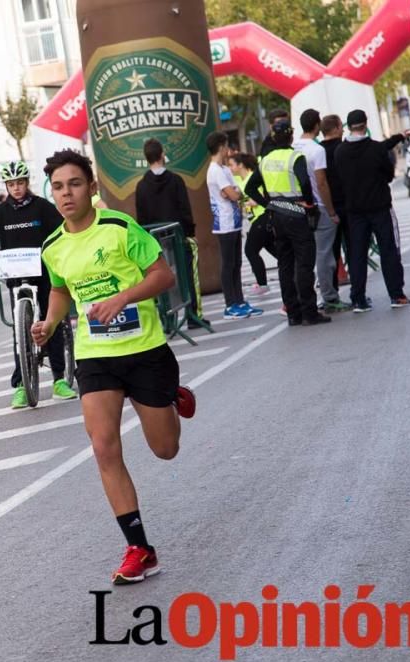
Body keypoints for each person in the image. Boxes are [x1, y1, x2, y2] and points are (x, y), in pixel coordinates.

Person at [32, 149, 195, 585]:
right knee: (103, 446)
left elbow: (164, 276)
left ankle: (170, 397)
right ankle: (139, 548)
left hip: (144, 349)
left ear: (91, 187)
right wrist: (48, 323)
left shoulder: (120, 228)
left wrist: (124, 297)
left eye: (75, 184)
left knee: (165, 449)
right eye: (59, 186)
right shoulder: (53, 246)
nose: (66, 194)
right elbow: (62, 291)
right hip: (95, 356)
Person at [0, 160, 78, 407]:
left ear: (26, 183)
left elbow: (61, 230)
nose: (16, 188)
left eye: (20, 183)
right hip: (16, 274)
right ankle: (21, 384)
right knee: (19, 330)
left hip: (43, 272)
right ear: (6, 186)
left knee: (48, 323)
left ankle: (58, 380)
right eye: (11, 184)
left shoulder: (42, 207)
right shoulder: (0, 212)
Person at [244, 118, 329, 327]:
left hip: (276, 217)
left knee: (285, 264)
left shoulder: (264, 160)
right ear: (291, 135)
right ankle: (310, 312)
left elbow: (250, 188)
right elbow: (305, 183)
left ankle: (293, 314)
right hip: (297, 215)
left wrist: (269, 203)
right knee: (304, 263)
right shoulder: (295, 157)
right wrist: (308, 203)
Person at [334, 109, 410, 313]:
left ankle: (358, 298)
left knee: (357, 254)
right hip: (379, 207)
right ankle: (396, 294)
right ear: (365, 124)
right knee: (388, 250)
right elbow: (388, 173)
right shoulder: (375, 149)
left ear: (348, 126)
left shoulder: (340, 152)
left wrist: (397, 137)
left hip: (355, 211)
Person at [134, 138, 207, 327]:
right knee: (187, 274)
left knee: (158, 276)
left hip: (154, 239)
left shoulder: (142, 186)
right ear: (162, 155)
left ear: (147, 158)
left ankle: (168, 320)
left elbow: (141, 216)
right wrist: (190, 231)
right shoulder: (175, 180)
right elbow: (185, 208)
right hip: (178, 235)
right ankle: (192, 316)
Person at [293, 109, 347, 312]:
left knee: (303, 257)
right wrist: (331, 211)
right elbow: (321, 182)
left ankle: (302, 299)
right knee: (324, 255)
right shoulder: (317, 150)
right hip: (319, 207)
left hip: (298, 207)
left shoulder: (293, 147)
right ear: (317, 126)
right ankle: (330, 297)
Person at [206, 131, 258, 320]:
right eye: (226, 145)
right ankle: (230, 304)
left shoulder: (225, 169)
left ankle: (240, 300)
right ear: (221, 146)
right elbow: (234, 194)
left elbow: (234, 191)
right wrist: (233, 192)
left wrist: (233, 192)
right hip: (224, 222)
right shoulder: (214, 170)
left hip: (235, 221)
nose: (228, 149)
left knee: (236, 262)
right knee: (228, 264)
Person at [229, 152, 275, 297]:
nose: (230, 168)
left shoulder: (252, 178)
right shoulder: (239, 180)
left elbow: (262, 197)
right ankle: (295, 267)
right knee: (273, 248)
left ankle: (262, 284)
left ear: (240, 165)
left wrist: (251, 202)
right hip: (255, 219)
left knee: (250, 250)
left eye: (231, 164)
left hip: (262, 216)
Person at [319, 114, 353, 293]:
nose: (343, 129)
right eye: (341, 126)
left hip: (328, 207)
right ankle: (358, 293)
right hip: (347, 204)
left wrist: (329, 210)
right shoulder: (343, 148)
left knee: (331, 251)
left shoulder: (319, 151)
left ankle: (332, 294)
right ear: (336, 129)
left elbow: (320, 182)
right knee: (354, 249)